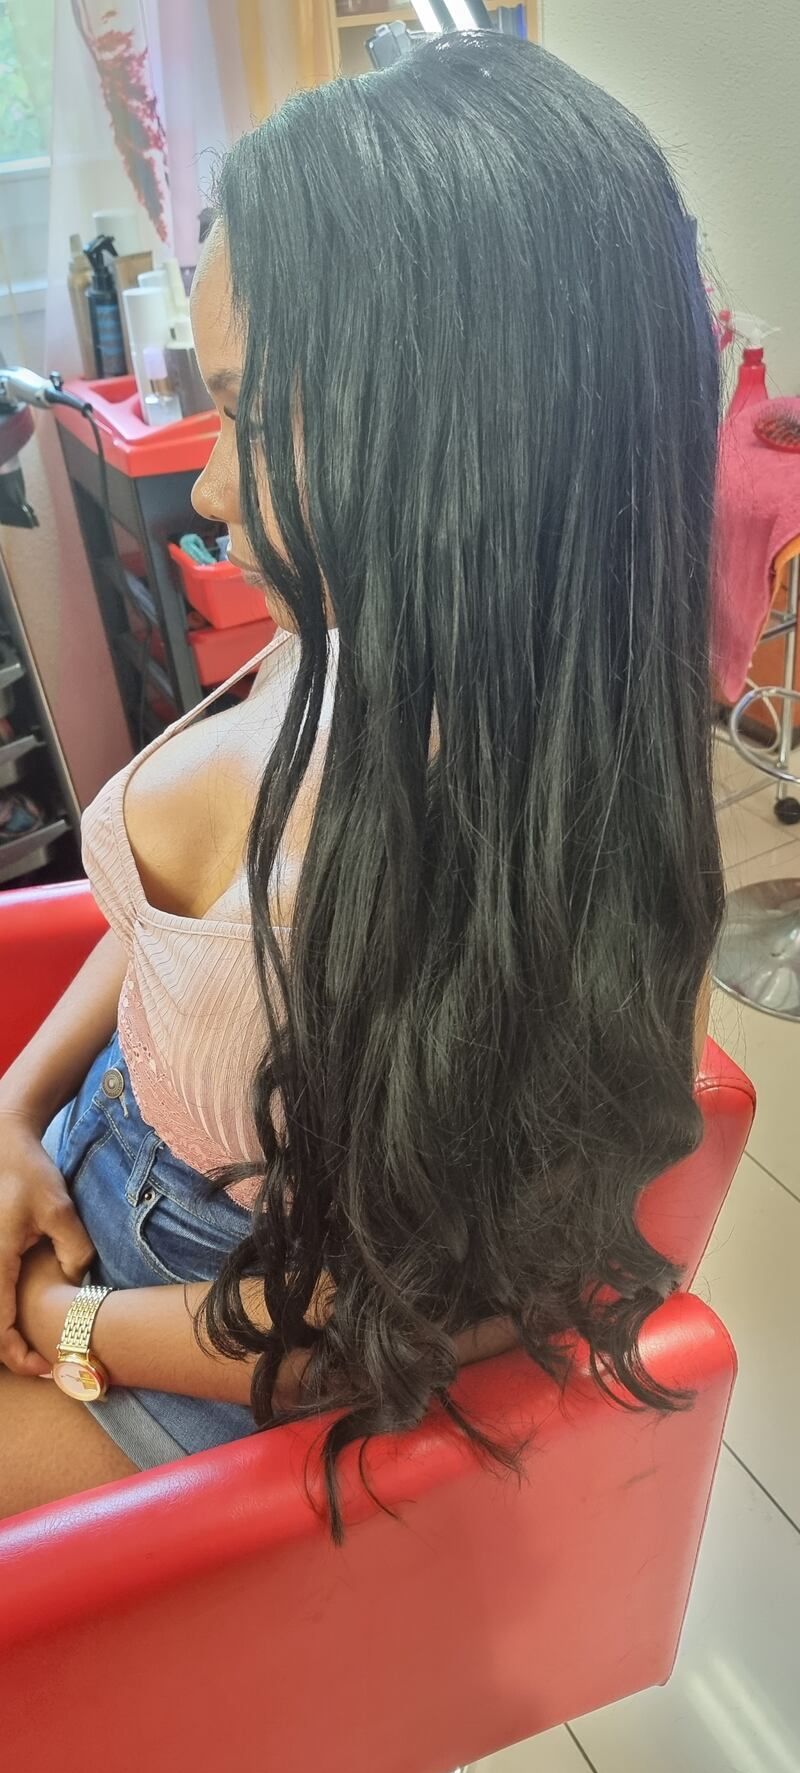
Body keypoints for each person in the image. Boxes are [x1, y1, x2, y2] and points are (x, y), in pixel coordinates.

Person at [0, 33, 721, 1531]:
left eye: (254, 415)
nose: (207, 484)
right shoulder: (342, 631)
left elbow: (371, 1322)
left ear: (473, 432)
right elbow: (173, 938)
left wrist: (67, 1323)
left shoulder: (511, 882)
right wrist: (15, 1110)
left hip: (206, 1357)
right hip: (82, 1178)